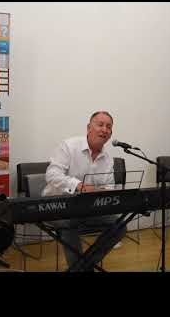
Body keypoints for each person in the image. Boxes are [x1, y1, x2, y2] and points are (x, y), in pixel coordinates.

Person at [42, 111, 126, 271]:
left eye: (108, 127)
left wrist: (102, 192)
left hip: (88, 208)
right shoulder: (68, 146)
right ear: (89, 128)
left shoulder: (107, 159)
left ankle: (82, 266)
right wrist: (79, 185)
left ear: (110, 134)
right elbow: (51, 175)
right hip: (57, 206)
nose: (104, 129)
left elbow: (109, 187)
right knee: (69, 222)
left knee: (120, 226)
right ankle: (82, 268)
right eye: (100, 124)